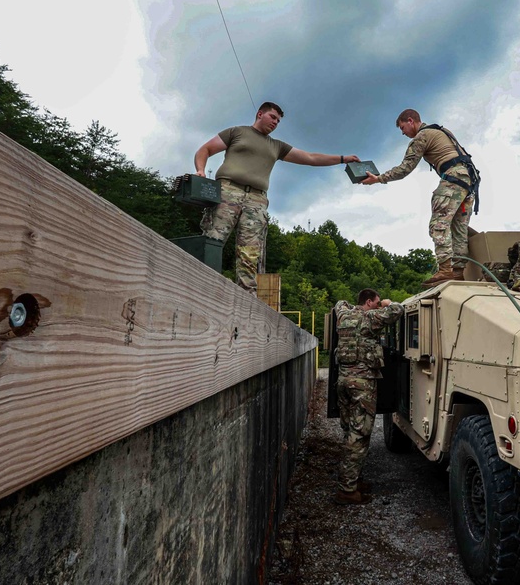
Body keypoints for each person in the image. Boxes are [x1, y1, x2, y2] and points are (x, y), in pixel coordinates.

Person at [194, 102, 359, 292]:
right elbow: (204, 150)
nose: (275, 123)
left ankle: (247, 299)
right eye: (273, 117)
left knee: (250, 254)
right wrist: (200, 170)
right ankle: (201, 285)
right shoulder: (237, 132)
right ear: (259, 114)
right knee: (212, 241)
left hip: (257, 199)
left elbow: (310, 158)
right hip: (228, 190)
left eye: (278, 121)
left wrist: (342, 159)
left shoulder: (276, 146)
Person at [360, 108, 480, 287]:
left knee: (438, 224)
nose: (402, 132)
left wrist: (378, 179)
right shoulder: (441, 131)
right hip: (469, 182)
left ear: (411, 120)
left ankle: (446, 269)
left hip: (454, 177)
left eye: (402, 127)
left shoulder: (421, 137)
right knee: (458, 229)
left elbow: (405, 168)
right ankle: (457, 272)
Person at [333, 288, 405, 505]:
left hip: (343, 382)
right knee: (360, 435)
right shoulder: (370, 318)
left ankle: (353, 481)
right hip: (362, 384)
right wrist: (386, 302)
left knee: (350, 432)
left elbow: (339, 302)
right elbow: (398, 309)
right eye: (374, 302)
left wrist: (354, 305)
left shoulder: (344, 315)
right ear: (369, 302)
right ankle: (347, 490)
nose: (376, 305)